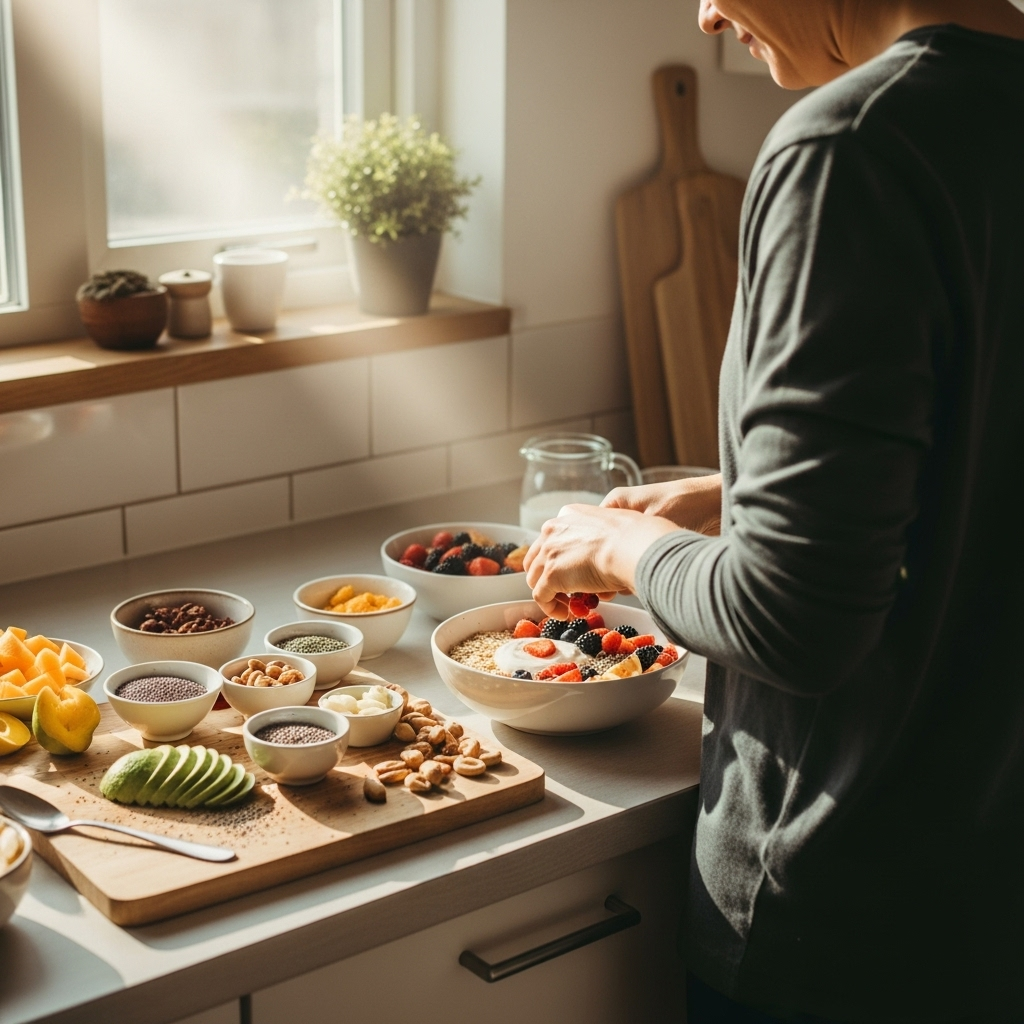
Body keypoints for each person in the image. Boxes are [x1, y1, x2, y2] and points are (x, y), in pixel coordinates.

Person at [523, 1, 1024, 1020]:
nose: (705, 14)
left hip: (851, 910)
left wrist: (630, 545)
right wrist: (754, 493)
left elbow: (790, 622)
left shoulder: (852, 143)